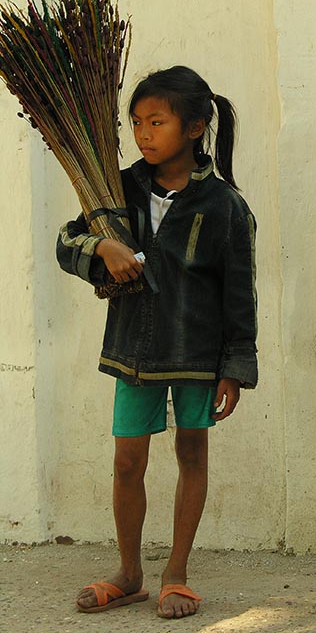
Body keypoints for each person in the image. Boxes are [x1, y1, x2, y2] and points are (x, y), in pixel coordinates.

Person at [57, 65, 258, 619]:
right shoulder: (115, 192)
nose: (144, 134)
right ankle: (128, 572)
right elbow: (66, 241)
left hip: (197, 354)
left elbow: (241, 294)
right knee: (127, 461)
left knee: (192, 453)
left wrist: (235, 366)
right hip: (134, 352)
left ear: (194, 127)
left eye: (157, 121)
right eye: (137, 123)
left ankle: (177, 574)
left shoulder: (225, 206)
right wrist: (102, 250)